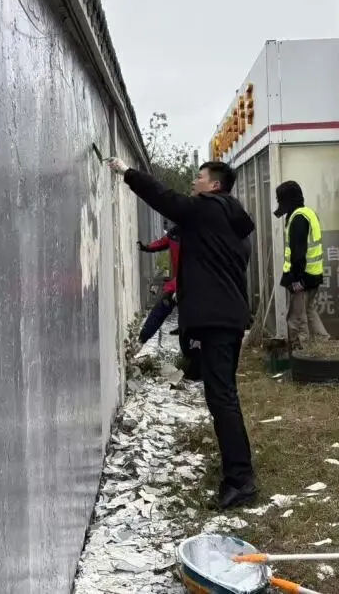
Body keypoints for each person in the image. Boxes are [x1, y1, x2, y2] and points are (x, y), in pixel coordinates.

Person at [107, 157, 256, 509]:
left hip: (218, 320)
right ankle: (237, 470)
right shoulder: (232, 220)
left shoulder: (207, 209)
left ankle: (241, 480)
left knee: (222, 397)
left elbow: (165, 198)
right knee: (221, 393)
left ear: (214, 185)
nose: (194, 182)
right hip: (226, 318)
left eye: (199, 178)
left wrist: (127, 172)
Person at [274, 180, 330, 350]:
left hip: (302, 277)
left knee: (297, 318)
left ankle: (302, 352)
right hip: (313, 274)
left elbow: (298, 254)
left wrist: (296, 280)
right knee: (309, 311)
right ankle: (324, 345)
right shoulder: (308, 213)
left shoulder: (298, 218)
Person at [137, 223, 181, 345]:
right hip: (179, 282)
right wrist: (146, 247)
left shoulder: (198, 234)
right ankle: (142, 338)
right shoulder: (174, 234)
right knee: (163, 305)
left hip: (193, 282)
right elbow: (162, 242)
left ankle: (186, 328)